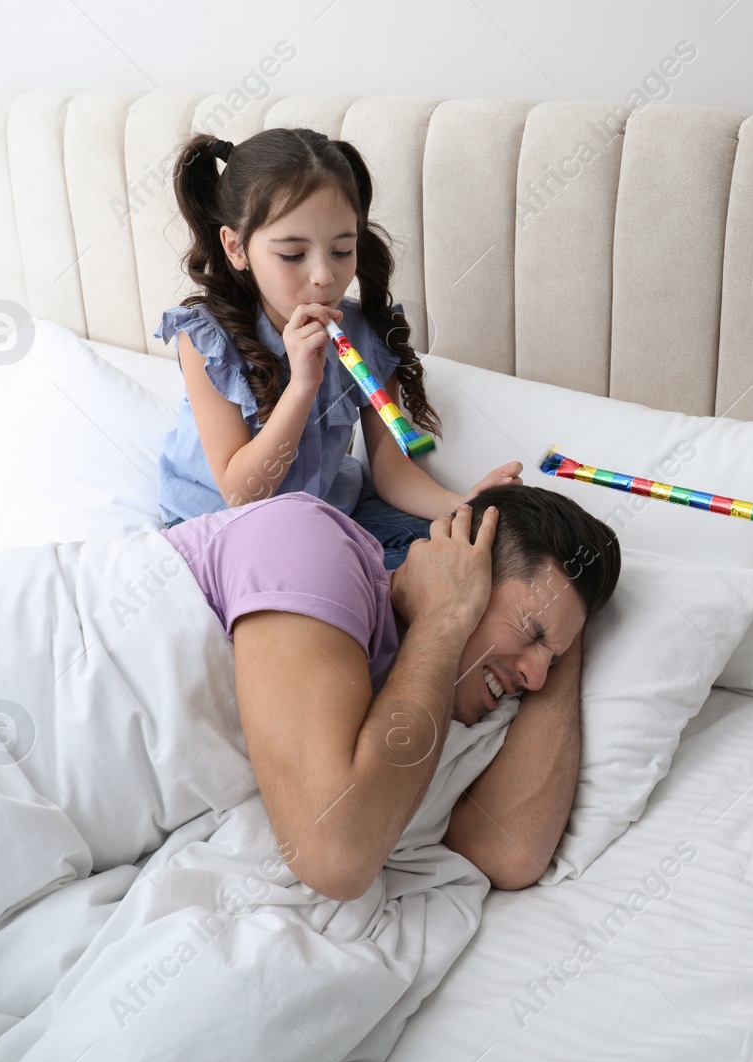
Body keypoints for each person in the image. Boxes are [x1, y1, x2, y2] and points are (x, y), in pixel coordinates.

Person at [163, 481, 620, 896]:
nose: (536, 680)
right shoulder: (310, 544)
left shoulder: (441, 694)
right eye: (530, 630)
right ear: (465, 565)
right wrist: (445, 616)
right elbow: (334, 856)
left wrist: (563, 637)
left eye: (552, 661)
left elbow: (508, 853)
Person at [155, 126, 522, 569]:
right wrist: (303, 385)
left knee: (459, 559)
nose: (324, 277)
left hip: (327, 510)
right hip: (225, 525)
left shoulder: (365, 335)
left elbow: (391, 471)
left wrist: (462, 503)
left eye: (342, 250)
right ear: (236, 248)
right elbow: (242, 493)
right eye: (292, 255)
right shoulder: (208, 341)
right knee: (330, 581)